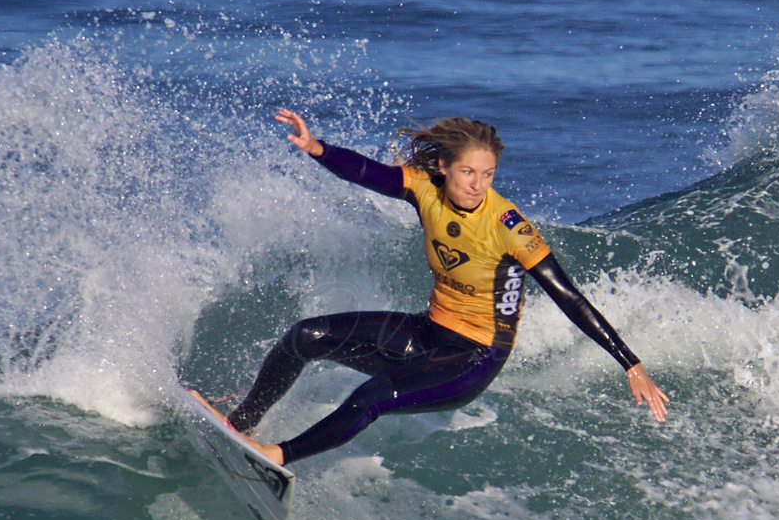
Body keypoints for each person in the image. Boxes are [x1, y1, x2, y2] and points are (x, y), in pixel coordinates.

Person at [200, 109, 668, 466]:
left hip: (472, 358)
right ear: (444, 166)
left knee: (373, 395)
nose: (478, 185)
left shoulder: (509, 226)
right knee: (306, 336)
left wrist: (630, 363)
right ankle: (240, 424)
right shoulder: (426, 188)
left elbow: (569, 296)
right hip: (426, 334)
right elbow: (369, 172)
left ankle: (277, 455)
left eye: (488, 175)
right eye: (468, 172)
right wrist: (317, 149)